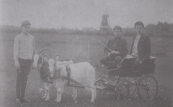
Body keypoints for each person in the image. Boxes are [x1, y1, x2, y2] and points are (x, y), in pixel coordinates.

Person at [14, 20, 35, 103]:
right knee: (19, 79)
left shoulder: (32, 38)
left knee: (25, 79)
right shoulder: (18, 37)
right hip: (21, 60)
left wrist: (33, 61)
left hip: (28, 61)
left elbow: (33, 50)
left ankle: (22, 97)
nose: (27, 29)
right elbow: (16, 51)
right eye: (25, 27)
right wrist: (16, 61)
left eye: (28, 27)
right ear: (21, 28)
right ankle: (17, 98)